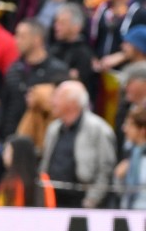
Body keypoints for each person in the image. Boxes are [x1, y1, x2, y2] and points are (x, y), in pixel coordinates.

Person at [40, 80, 117, 208]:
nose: (52, 102)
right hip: (52, 200)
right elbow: (45, 162)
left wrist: (91, 201)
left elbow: (106, 170)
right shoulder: (53, 129)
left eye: (57, 97)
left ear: (72, 103)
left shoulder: (98, 129)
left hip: (81, 202)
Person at [0, 133, 57, 207]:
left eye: (8, 151)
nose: (4, 155)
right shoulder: (8, 181)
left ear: (18, 155)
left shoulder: (42, 181)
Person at [114, 107, 146, 209]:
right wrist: (118, 177)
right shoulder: (130, 153)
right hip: (129, 216)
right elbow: (120, 192)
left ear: (142, 130)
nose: (124, 129)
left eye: (129, 125)